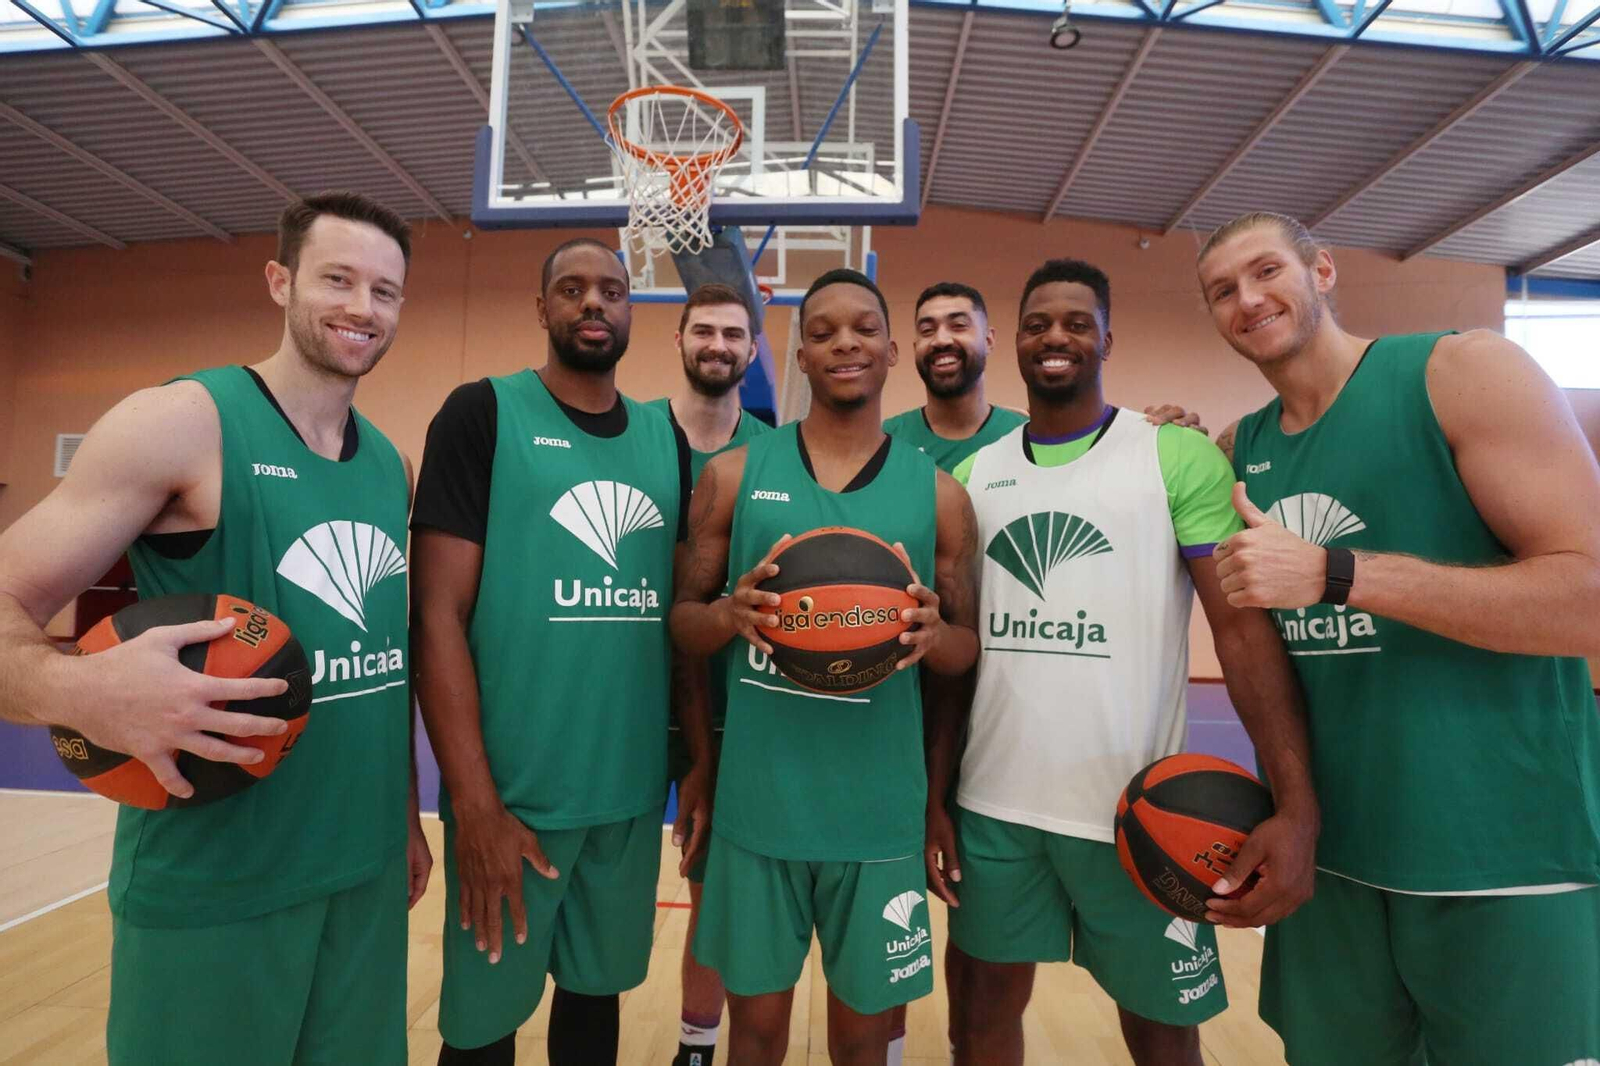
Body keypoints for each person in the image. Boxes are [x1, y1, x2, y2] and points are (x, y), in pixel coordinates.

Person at [0, 192, 428, 1065]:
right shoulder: (182, 423)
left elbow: (377, 667)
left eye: (384, 291)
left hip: (364, 878)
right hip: (216, 888)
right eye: (337, 279)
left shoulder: (391, 463)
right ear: (280, 280)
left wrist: (404, 826)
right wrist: (79, 690)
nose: (361, 308)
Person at [1198, 211, 1600, 1066]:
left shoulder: (1463, 371)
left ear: (1325, 271)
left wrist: (1339, 574)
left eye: (1267, 271)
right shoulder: (1241, 451)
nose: (1247, 299)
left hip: (1504, 856)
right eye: (1222, 291)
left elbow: (1589, 597)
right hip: (1333, 861)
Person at [928, 257, 1318, 1065]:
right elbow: (955, 662)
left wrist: (1294, 800)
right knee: (979, 1017)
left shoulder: (1174, 457)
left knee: (1163, 1033)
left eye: (1076, 321)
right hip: (995, 807)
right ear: (1016, 343)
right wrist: (935, 797)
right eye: (1038, 323)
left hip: (1141, 814)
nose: (1056, 336)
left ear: (1108, 335)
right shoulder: (971, 477)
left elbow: (1243, 636)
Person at [411, 237, 710, 1066]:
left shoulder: (665, 438)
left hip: (623, 798)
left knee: (594, 1010)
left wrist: (692, 767)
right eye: (571, 289)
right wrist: (472, 802)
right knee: (480, 1031)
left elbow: (678, 623)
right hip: (513, 801)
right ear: (541, 309)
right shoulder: (482, 413)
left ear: (632, 312)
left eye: (612, 290)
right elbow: (436, 613)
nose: (593, 304)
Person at [670, 268, 980, 1066]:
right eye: (823, 331)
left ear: (892, 352)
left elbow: (965, 651)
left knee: (861, 1037)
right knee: (759, 1032)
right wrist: (728, 615)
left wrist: (929, 632)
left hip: (879, 816)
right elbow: (682, 624)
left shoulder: (940, 495)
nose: (846, 342)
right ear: (800, 356)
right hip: (759, 807)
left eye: (865, 328)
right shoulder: (734, 475)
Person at [643, 281, 772, 1066]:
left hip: (722, 703)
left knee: (708, 887)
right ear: (681, 341)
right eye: (703, 331)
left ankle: (696, 1045)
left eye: (733, 334)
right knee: (601, 888)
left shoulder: (773, 452)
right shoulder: (632, 437)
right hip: (618, 696)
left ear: (753, 350)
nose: (718, 345)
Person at [882, 281, 1027, 472]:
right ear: (916, 347)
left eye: (958, 326)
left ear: (988, 340)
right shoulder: (885, 441)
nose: (941, 340)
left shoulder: (1025, 435)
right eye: (927, 330)